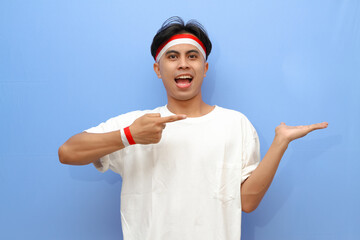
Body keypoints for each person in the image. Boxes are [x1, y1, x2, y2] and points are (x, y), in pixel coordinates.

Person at [58, 16, 328, 240]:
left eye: (192, 56)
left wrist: (281, 143)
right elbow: (67, 152)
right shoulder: (137, 124)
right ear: (158, 69)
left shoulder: (236, 125)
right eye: (172, 56)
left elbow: (247, 202)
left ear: (205, 67)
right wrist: (130, 136)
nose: (183, 63)